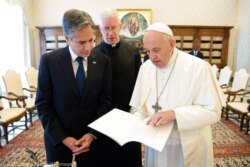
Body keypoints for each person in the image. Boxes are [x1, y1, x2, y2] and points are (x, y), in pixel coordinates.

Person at [129, 23, 225, 167]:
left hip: (186, 145)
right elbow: (138, 107)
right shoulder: (145, 68)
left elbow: (213, 112)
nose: (152, 57)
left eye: (156, 50)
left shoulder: (197, 67)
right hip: (155, 145)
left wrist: (174, 114)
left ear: (172, 44)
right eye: (147, 51)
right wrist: (137, 122)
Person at [35, 9, 112, 166]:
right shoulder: (49, 62)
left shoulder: (104, 62)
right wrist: (63, 138)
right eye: (82, 42)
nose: (88, 47)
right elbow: (43, 105)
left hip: (92, 141)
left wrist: (91, 135)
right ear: (67, 39)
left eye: (91, 40)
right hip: (58, 141)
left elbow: (105, 102)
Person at [93, 8, 142, 167]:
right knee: (106, 158)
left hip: (128, 114)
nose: (110, 32)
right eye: (106, 28)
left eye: (113, 27)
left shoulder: (133, 51)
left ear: (120, 27)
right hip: (103, 116)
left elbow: (139, 84)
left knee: (128, 157)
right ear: (100, 29)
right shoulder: (93, 53)